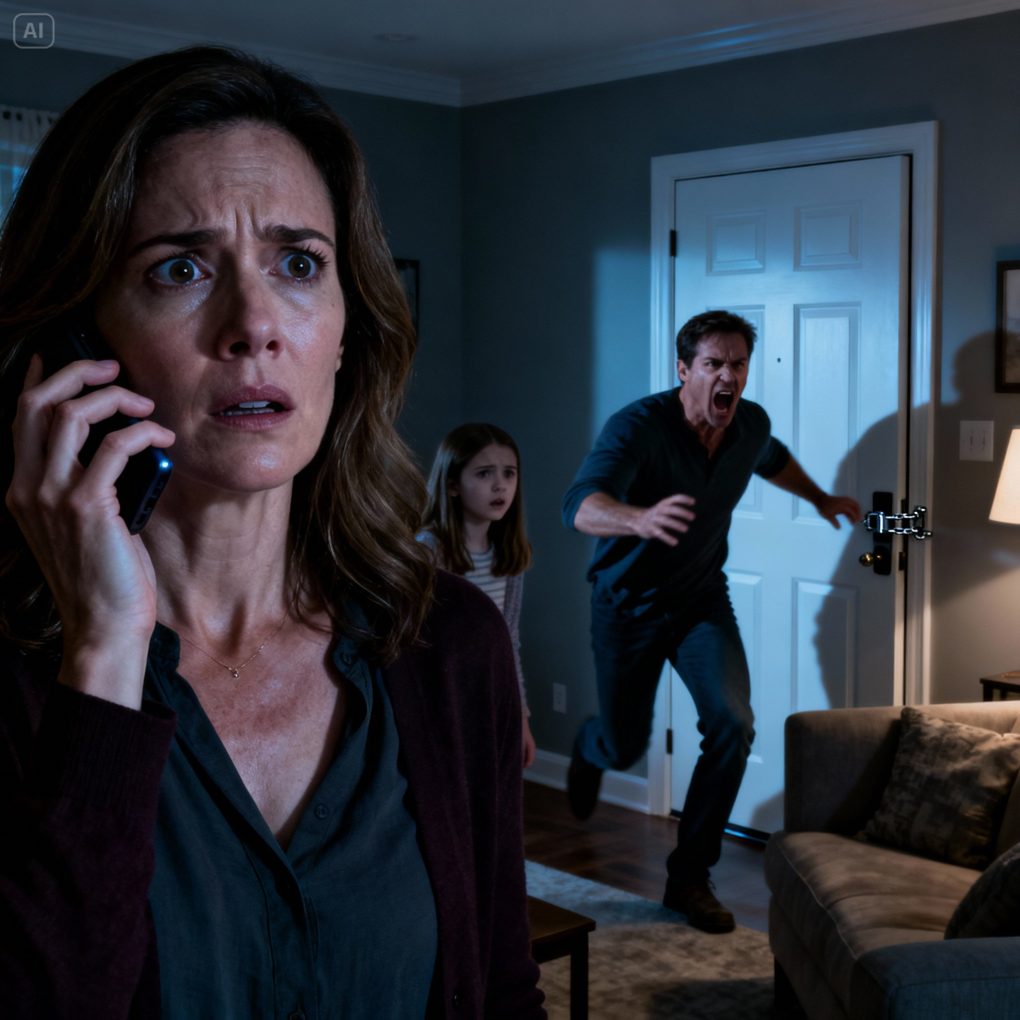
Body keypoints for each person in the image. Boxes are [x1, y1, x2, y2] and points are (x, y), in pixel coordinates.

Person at [0, 47, 544, 1018]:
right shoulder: (23, 682)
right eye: (179, 268)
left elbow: (502, 990)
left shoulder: (452, 647)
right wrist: (105, 655)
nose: (254, 325)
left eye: (299, 264)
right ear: (77, 343)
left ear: (345, 330)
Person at [561, 309, 860, 934]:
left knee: (731, 723)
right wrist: (638, 519)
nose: (729, 376)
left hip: (700, 601)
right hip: (627, 604)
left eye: (739, 364)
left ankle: (689, 877)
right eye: (714, 363)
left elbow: (771, 458)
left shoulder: (749, 424)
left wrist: (820, 498)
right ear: (684, 369)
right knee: (625, 744)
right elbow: (579, 505)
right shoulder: (639, 427)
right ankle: (593, 747)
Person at [420, 423, 536, 768]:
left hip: (489, 692)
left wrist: (521, 716)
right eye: (485, 473)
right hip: (439, 698)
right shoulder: (429, 551)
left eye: (509, 473)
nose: (500, 485)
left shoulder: (509, 555)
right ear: (453, 485)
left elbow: (509, 638)